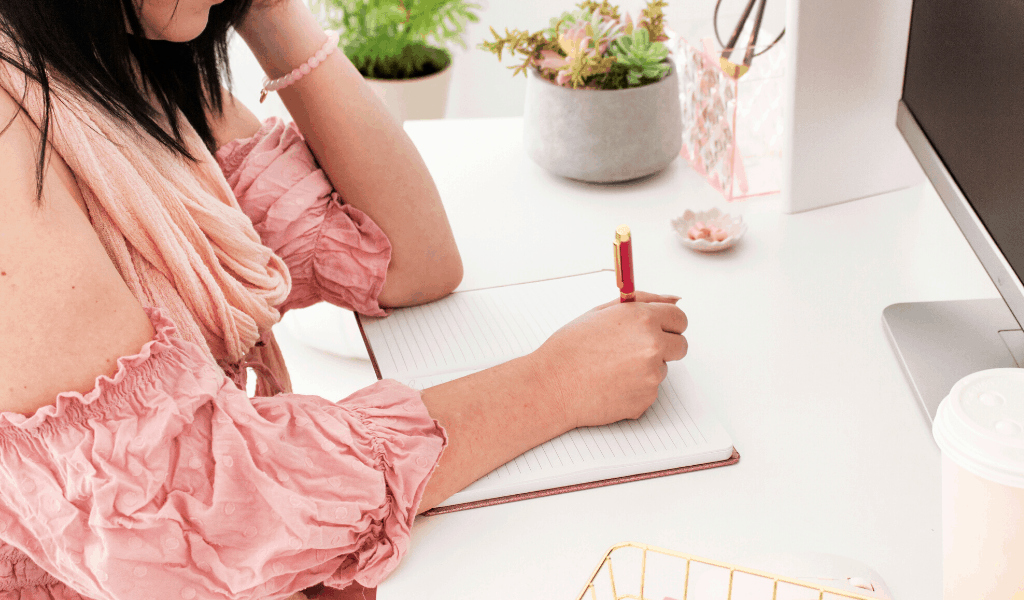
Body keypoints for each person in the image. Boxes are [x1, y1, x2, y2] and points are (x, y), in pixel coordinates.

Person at [0, 0, 689, 598]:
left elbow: (409, 258)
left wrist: (270, 16)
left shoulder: (118, 59)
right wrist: (554, 385)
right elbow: (206, 514)